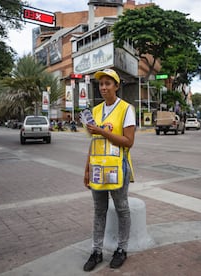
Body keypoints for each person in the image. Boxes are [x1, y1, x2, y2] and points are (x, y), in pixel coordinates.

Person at [83, 68, 136, 272]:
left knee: (122, 208)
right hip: (97, 167)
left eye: (108, 83)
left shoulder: (126, 109)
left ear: (116, 86)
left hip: (118, 167)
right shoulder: (95, 111)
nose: (103, 87)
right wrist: (86, 169)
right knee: (99, 210)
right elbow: (93, 143)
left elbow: (128, 142)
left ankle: (122, 249)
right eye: (101, 84)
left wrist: (101, 131)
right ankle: (96, 251)